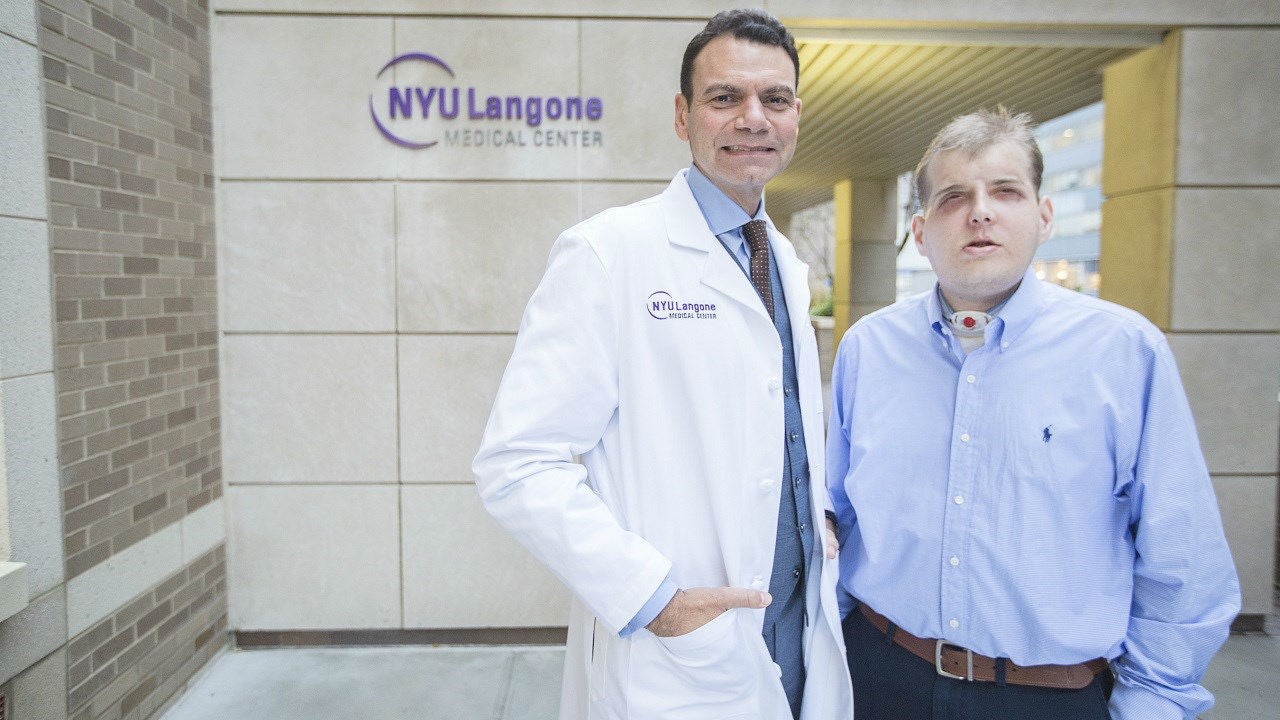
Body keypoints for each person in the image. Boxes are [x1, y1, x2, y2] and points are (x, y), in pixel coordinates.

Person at [473, 8, 852, 720]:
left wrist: (815, 511)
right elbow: (517, 463)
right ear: (683, 116)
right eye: (724, 98)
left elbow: (784, 427)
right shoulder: (606, 255)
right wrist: (654, 599)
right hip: (684, 647)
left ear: (796, 114)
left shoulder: (789, 266)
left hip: (798, 632)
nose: (753, 118)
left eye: (774, 99)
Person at [826, 106, 1241, 720]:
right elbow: (834, 512)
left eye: (1005, 191)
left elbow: (1184, 559)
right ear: (919, 232)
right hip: (882, 678)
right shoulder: (869, 349)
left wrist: (1152, 704)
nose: (980, 212)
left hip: (1050, 697)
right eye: (952, 197)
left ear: (1044, 217)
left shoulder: (1124, 353)